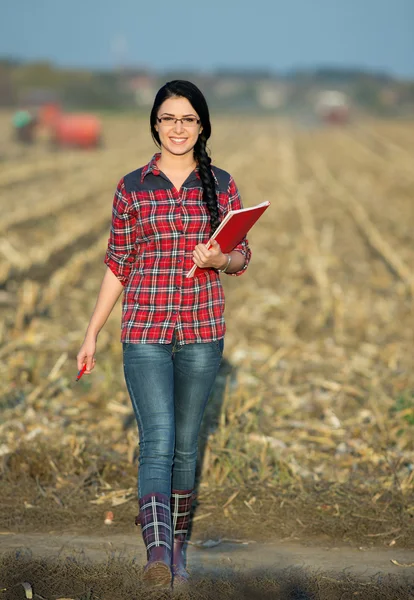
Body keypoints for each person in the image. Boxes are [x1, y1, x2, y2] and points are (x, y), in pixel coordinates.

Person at [76, 80, 251, 588]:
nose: (178, 128)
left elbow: (243, 256)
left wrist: (223, 258)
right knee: (157, 442)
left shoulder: (221, 183)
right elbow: (117, 264)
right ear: (155, 123)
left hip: (202, 329)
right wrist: (91, 334)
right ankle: (156, 554)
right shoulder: (132, 187)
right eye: (169, 118)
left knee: (186, 446)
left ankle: (176, 547)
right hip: (145, 330)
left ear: (202, 126)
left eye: (188, 119)